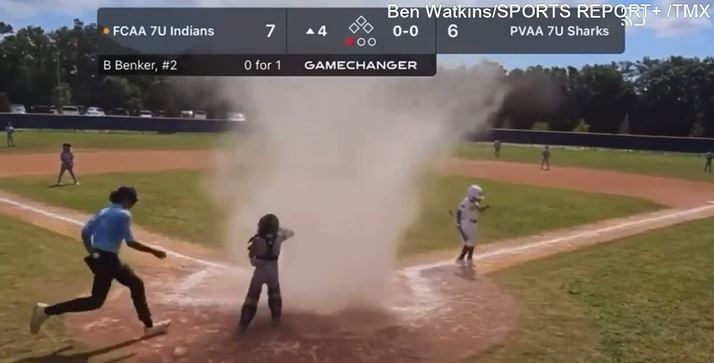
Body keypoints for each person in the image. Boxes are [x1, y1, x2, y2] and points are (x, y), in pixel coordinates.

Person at [30, 186, 171, 336]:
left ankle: (46, 310)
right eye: (133, 201)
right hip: (109, 260)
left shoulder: (104, 211)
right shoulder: (124, 215)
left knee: (95, 301)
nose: (133, 204)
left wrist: (92, 251)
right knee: (136, 284)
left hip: (100, 258)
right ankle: (148, 326)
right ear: (125, 200)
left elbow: (85, 232)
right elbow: (130, 242)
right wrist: (153, 251)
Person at [238, 214, 295, 334]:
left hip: (259, 273)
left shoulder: (257, 241)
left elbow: (252, 260)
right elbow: (291, 233)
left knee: (251, 298)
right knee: (275, 295)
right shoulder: (279, 239)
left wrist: (257, 261)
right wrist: (280, 229)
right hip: (273, 273)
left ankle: (244, 323)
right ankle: (275, 319)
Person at [455, 185, 489, 266]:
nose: (478, 198)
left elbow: (477, 207)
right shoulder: (465, 202)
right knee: (468, 243)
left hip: (473, 224)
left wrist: (484, 208)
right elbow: (458, 212)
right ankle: (460, 258)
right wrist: (458, 224)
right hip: (466, 224)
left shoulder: (475, 202)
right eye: (476, 196)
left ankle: (470, 258)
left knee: (472, 243)